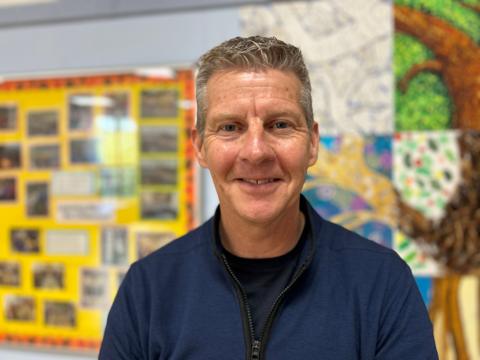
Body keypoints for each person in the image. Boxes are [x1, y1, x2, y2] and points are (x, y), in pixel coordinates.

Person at [99, 36, 438, 360]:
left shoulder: (381, 283)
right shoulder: (148, 290)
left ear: (313, 143)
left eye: (279, 125)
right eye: (230, 127)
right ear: (200, 147)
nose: (256, 151)